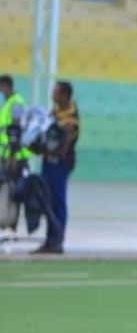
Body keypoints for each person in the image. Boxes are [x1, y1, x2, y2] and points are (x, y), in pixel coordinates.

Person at [34, 81, 80, 255]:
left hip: (60, 165)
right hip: (49, 163)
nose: (53, 94)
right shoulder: (56, 111)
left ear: (64, 95)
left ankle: (57, 241)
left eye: (56, 91)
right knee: (48, 202)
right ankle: (49, 241)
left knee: (58, 202)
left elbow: (63, 147)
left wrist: (46, 150)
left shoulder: (70, 118)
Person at [0, 74, 30, 176]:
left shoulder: (16, 102)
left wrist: (12, 154)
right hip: (8, 151)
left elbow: (16, 129)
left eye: (0, 87)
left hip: (15, 155)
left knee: (15, 183)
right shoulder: (8, 102)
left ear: (6, 86)